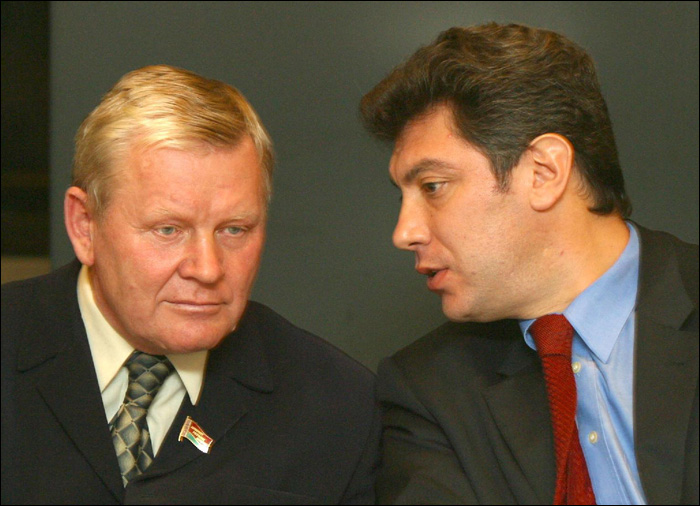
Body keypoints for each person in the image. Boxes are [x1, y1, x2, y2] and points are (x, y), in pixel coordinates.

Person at [1, 64, 379, 504]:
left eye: (234, 230)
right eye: (169, 230)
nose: (208, 268)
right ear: (85, 225)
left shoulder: (336, 405)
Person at [360, 23, 698, 505]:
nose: (404, 232)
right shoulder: (429, 391)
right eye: (403, 196)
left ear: (543, 172)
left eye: (433, 187)